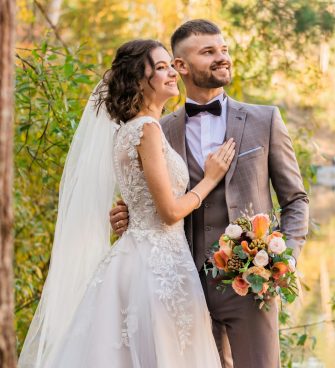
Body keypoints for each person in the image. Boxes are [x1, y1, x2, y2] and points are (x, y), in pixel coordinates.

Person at [18, 39, 234, 368]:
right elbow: (169, 212)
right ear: (137, 80)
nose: (172, 72)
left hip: (139, 257)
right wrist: (210, 178)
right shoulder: (147, 129)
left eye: (170, 65)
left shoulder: (128, 131)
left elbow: (141, 198)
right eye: (160, 67)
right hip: (158, 267)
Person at [110, 20, 309, 368]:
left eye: (224, 50)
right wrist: (127, 213)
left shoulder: (265, 120)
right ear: (181, 66)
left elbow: (296, 200)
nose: (222, 58)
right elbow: (153, 194)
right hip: (180, 285)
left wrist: (284, 260)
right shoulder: (158, 127)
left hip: (250, 284)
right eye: (208, 52)